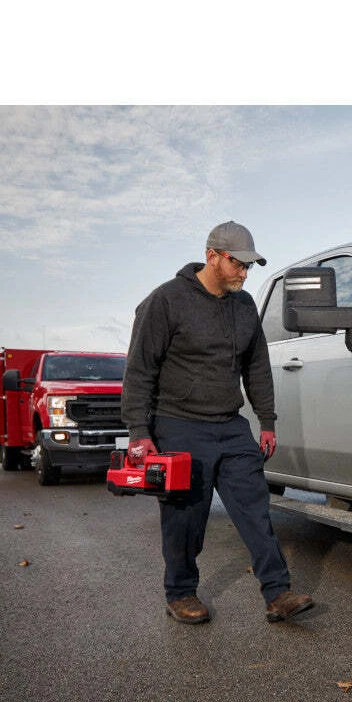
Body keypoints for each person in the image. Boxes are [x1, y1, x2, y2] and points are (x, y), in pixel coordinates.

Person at [121, 221, 313, 625]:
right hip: (178, 424)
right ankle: (180, 592)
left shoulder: (243, 306)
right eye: (237, 263)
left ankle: (277, 592)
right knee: (185, 517)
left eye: (249, 266)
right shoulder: (166, 301)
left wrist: (267, 421)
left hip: (230, 425)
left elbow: (256, 367)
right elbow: (140, 370)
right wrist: (139, 432)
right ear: (212, 256)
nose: (244, 272)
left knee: (255, 509)